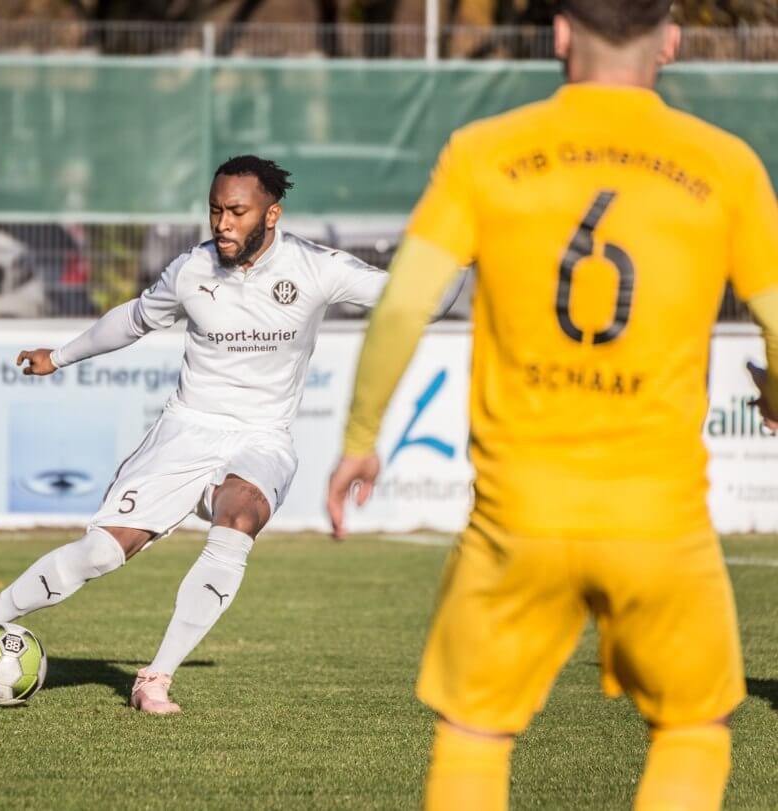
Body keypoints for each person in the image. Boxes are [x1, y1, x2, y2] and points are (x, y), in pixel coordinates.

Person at [326, 3, 778, 809]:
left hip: (515, 518)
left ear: (562, 34)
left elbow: (402, 304)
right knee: (692, 730)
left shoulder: (483, 152)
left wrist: (362, 434)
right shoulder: (727, 165)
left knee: (474, 733)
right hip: (660, 520)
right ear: (671, 40)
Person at [0, 155, 388, 713]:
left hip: (262, 436)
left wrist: (474, 265)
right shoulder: (191, 270)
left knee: (240, 517)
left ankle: (155, 678)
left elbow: (416, 297)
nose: (222, 223)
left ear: (271, 214)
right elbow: (131, 320)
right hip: (186, 430)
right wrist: (57, 357)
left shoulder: (316, 267)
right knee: (100, 555)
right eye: (214, 210)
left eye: (236, 211)